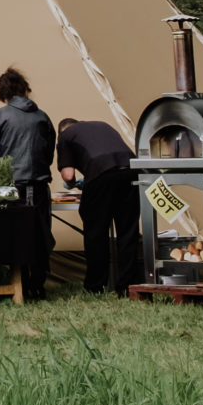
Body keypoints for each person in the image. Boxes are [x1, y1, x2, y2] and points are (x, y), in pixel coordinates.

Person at [0, 67, 57, 301]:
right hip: (38, 182)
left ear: (2, 92)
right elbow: (49, 152)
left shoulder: (1, 115)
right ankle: (38, 284)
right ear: (24, 88)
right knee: (40, 231)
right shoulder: (42, 116)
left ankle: (18, 282)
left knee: (11, 232)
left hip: (10, 181)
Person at [58, 114, 138, 296]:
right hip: (131, 172)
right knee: (127, 232)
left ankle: (96, 287)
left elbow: (68, 175)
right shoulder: (102, 125)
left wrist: (74, 184)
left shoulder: (65, 137)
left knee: (96, 233)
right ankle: (127, 287)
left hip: (101, 177)